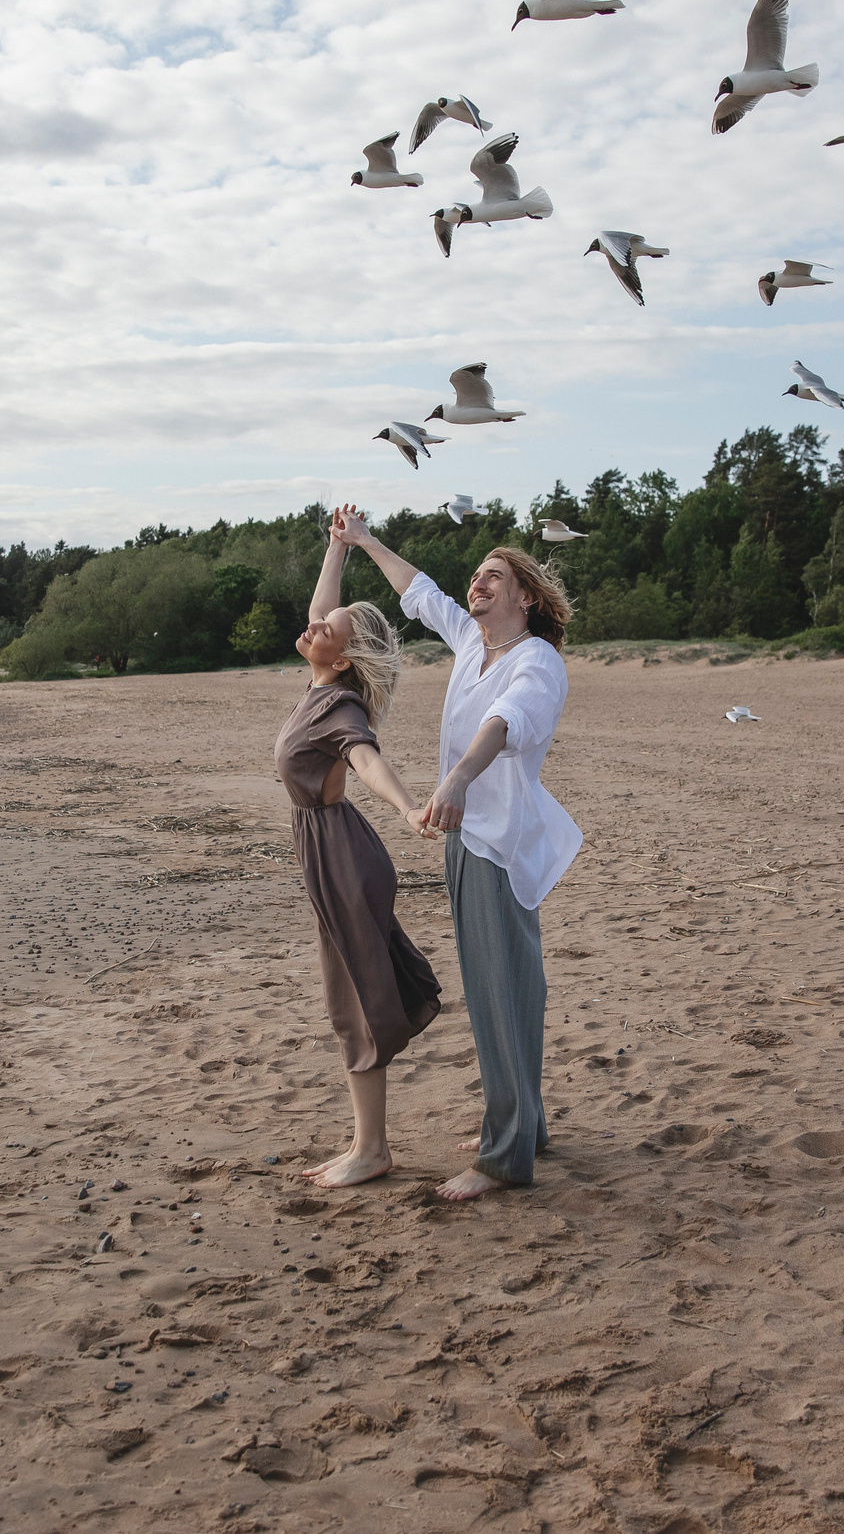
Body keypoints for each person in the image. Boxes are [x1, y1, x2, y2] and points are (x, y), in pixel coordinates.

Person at [333, 505, 579, 1200]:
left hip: (496, 842)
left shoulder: (536, 659)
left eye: (494, 576)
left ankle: (506, 1155)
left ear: (524, 596)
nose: (478, 583)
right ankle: (523, 1124)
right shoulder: (474, 645)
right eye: (477, 575)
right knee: (511, 985)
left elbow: (509, 722)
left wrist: (460, 776)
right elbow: (420, 591)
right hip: (469, 835)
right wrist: (362, 540)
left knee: (501, 991)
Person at [276, 515, 445, 1189]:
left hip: (343, 855)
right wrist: (336, 548)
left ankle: (371, 1147)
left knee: (356, 996)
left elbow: (368, 762)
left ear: (342, 658)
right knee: (351, 990)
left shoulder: (341, 705)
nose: (314, 625)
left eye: (328, 630)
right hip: (328, 851)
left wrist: (407, 805)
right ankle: (366, 1141)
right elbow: (322, 609)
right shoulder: (321, 683)